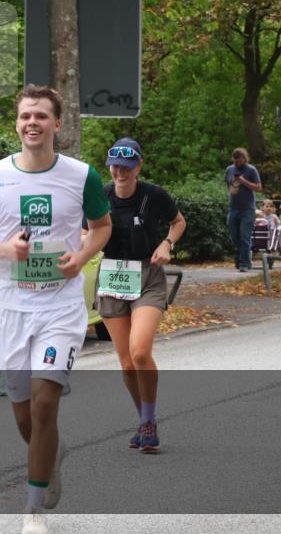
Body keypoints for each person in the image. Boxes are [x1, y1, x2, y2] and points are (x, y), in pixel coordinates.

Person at [0, 85, 112, 534]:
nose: (33, 123)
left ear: (57, 124)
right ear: (17, 123)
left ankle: (31, 512)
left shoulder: (80, 175)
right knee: (25, 414)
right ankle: (50, 457)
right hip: (12, 307)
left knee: (46, 404)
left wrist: (81, 258)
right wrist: (6, 250)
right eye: (26, 116)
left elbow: (101, 227)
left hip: (61, 307)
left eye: (41, 116)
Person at [95, 138, 186, 454]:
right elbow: (86, 230)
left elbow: (178, 222)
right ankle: (145, 420)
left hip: (147, 276)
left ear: (138, 167)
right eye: (115, 166)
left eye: (127, 167)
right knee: (126, 363)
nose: (120, 172)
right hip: (112, 277)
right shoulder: (100, 196)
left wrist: (167, 244)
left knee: (140, 352)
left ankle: (148, 420)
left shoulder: (153, 195)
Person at [225, 148, 262, 272]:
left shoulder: (251, 170)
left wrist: (243, 181)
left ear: (244, 159)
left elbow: (258, 188)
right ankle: (245, 254)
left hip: (247, 208)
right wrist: (234, 185)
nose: (237, 164)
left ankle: (244, 263)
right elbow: (228, 185)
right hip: (233, 207)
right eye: (235, 162)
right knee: (234, 236)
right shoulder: (229, 170)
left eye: (240, 162)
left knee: (244, 236)